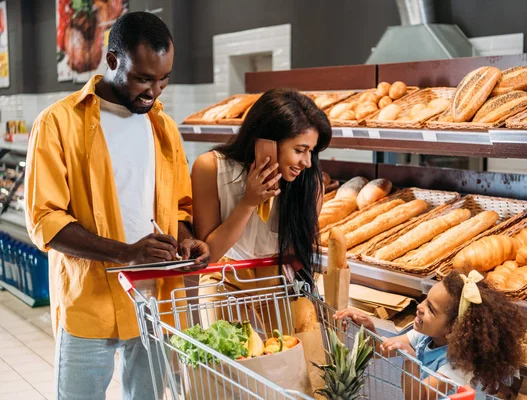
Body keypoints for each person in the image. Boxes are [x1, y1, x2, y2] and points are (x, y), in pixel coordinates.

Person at [24, 12, 209, 400]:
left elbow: (177, 206)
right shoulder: (58, 124)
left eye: (163, 79)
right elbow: (45, 219)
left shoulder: (163, 127)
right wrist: (126, 253)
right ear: (112, 62)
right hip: (89, 304)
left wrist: (187, 238)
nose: (155, 91)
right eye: (143, 78)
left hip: (153, 303)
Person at [191, 88, 332, 293]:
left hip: (277, 275)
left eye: (311, 151)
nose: (308, 162)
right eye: (299, 150)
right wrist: (248, 203)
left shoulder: (309, 185)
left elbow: (297, 253)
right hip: (222, 273)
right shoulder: (210, 168)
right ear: (267, 142)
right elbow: (209, 255)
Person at [334, 270, 527, 400]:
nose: (419, 307)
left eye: (431, 309)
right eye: (425, 300)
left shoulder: (460, 367)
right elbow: (381, 349)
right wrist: (368, 328)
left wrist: (410, 360)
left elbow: (418, 396)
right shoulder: (426, 337)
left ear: (452, 330)